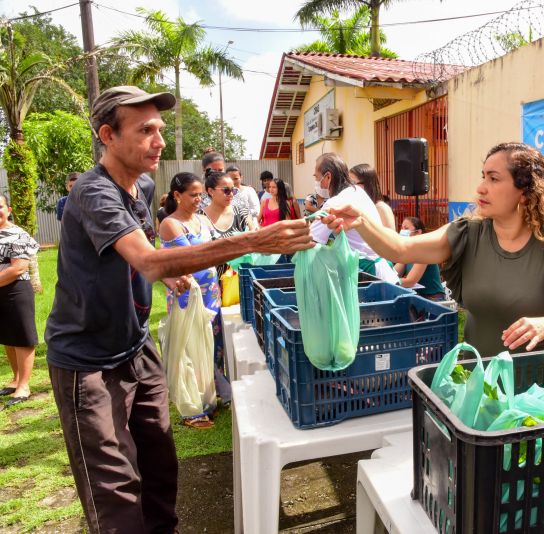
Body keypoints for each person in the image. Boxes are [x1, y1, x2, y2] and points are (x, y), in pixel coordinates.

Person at [45, 85, 312, 533]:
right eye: (145, 130)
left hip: (136, 344)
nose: (160, 140)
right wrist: (252, 240)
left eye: (160, 129)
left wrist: (167, 273)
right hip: (87, 362)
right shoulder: (94, 193)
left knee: (161, 469)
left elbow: (140, 250)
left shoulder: (142, 184)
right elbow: (148, 260)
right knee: (115, 492)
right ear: (107, 135)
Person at [324, 142, 544, 357]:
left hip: (537, 392)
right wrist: (361, 221)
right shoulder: (468, 233)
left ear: (525, 192)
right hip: (478, 383)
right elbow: (401, 248)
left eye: (493, 179)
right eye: (483, 177)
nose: (481, 188)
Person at [159, 172, 222, 429]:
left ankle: (207, 399)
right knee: (189, 352)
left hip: (210, 295)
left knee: (209, 349)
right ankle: (192, 410)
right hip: (187, 296)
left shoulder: (201, 220)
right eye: (193, 195)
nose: (199, 199)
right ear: (177, 195)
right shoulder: (171, 224)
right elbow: (193, 259)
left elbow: (214, 251)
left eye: (200, 194)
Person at [310, 153, 400, 284]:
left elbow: (311, 239)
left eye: (317, 177)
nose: (317, 183)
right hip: (384, 272)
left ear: (328, 176)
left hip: (369, 275)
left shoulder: (336, 203)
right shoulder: (358, 191)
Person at [0, 193, 39, 407]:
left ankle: (24, 386)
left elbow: (18, 268)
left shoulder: (18, 234)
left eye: (0, 206)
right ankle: (15, 380)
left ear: (8, 210)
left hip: (16, 291)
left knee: (22, 336)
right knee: (7, 335)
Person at [201, 170, 253, 278]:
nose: (231, 194)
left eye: (233, 190)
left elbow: (253, 242)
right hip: (210, 282)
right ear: (210, 191)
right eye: (226, 190)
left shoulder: (242, 213)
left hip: (239, 282)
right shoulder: (199, 217)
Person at [393, 216, 446, 300]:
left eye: (406, 228)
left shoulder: (425, 250)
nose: (402, 231)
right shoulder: (407, 251)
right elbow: (395, 273)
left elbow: (410, 281)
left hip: (433, 298)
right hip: (417, 296)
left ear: (418, 232)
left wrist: (392, 281)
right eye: (401, 228)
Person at [350, 163, 396, 230]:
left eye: (353, 183)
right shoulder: (358, 206)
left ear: (367, 184)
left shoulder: (381, 208)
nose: (350, 187)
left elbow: (392, 238)